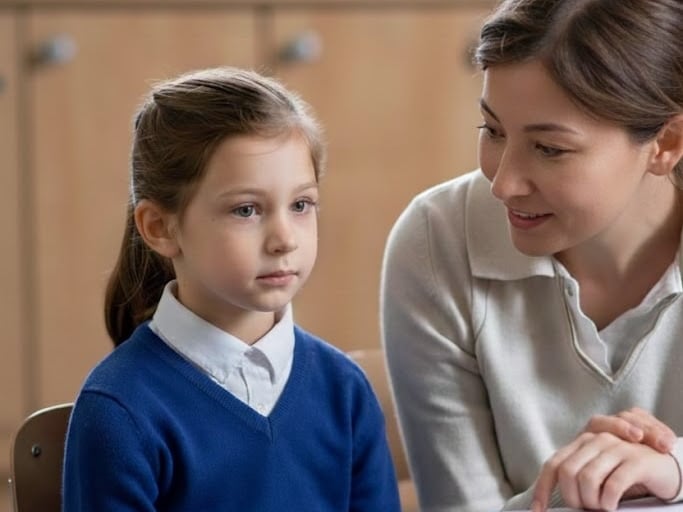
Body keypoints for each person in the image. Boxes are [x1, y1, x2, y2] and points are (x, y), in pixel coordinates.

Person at [380, 0, 683, 510]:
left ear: (667, 143)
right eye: (493, 131)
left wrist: (675, 466)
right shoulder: (437, 241)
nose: (503, 184)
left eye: (549, 149)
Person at [62, 67, 401, 512]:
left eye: (301, 205)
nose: (285, 238)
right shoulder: (119, 411)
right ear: (160, 228)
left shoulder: (346, 391)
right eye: (246, 210)